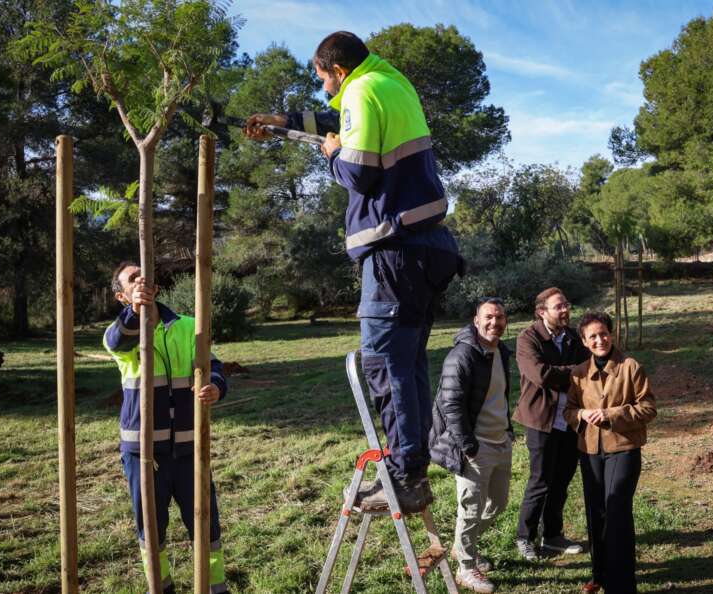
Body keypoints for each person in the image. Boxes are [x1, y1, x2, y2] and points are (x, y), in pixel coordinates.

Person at [245, 31, 462, 513]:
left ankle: (404, 477)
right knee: (406, 367)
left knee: (383, 363)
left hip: (392, 249)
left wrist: (331, 156)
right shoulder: (389, 82)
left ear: (338, 71)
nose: (323, 90)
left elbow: (358, 172)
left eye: (323, 79)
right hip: (424, 249)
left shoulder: (361, 92)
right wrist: (282, 124)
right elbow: (334, 119)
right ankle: (413, 469)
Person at [103, 262, 230, 594]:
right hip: (144, 455)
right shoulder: (118, 333)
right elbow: (120, 341)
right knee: (152, 530)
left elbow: (212, 364)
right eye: (133, 279)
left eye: (145, 276)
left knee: (206, 526)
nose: (142, 280)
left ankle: (214, 589)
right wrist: (135, 311)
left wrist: (216, 385)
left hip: (190, 449)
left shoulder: (189, 326)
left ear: (156, 288)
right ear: (122, 295)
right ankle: (161, 588)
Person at [564, 311, 656, 594]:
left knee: (617, 512)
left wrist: (611, 414)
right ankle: (599, 575)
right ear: (584, 341)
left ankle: (623, 584)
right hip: (590, 452)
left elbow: (649, 408)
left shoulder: (630, 367)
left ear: (611, 334)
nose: (599, 340)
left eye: (603, 333)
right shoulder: (578, 373)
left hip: (623, 450)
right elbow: (568, 410)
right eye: (592, 336)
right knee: (596, 513)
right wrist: (582, 413)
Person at [429, 298, 514, 593]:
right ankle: (466, 567)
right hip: (475, 448)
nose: (495, 322)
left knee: (499, 504)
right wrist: (468, 446)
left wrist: (508, 430)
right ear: (476, 321)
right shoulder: (462, 355)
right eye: (489, 317)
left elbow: (499, 396)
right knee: (470, 510)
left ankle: (460, 546)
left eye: (500, 317)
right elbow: (450, 404)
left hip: (502, 441)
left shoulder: (501, 351)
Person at [512, 288, 589, 560]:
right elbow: (541, 375)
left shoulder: (571, 337)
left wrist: (575, 372)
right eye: (559, 306)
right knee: (541, 480)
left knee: (562, 480)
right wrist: (576, 372)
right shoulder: (527, 338)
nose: (566, 310)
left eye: (566, 304)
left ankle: (553, 536)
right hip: (541, 420)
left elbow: (589, 365)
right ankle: (525, 537)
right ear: (542, 311)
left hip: (569, 419)